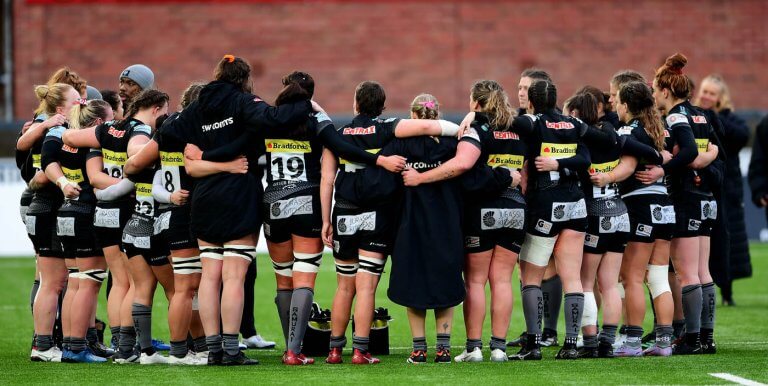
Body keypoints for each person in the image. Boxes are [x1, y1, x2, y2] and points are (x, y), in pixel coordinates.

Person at [161, 54, 319, 366]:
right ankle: (232, 350)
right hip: (238, 194)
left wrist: (199, 153)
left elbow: (167, 132)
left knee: (209, 275)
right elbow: (277, 119)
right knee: (233, 276)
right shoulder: (244, 102)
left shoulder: (195, 106)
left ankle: (213, 348)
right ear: (244, 79)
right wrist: (303, 101)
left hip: (203, 197)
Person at [320, 81, 458, 365]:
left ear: (356, 104)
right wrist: (464, 127)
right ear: (383, 107)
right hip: (377, 215)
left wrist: (325, 219)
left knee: (344, 287)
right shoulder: (387, 129)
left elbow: (326, 180)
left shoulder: (339, 134)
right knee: (367, 287)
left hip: (344, 213)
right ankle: (360, 351)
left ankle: (334, 350)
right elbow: (425, 128)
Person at [402, 82, 521, 363]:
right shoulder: (520, 129)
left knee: (476, 281)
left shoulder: (474, 132)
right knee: (503, 280)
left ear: (476, 103)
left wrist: (419, 177)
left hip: (483, 212)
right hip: (516, 209)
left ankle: (474, 348)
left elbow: (463, 167)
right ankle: (500, 349)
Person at [368, 94, 462, 364]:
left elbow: (382, 184)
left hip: (408, 225)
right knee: (446, 284)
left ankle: (418, 349)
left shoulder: (398, 143)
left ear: (413, 116)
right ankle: (443, 349)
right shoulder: (452, 143)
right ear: (437, 115)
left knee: (414, 285)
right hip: (446, 222)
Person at [642, 53, 721, 355]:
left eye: (654, 90)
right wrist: (707, 158)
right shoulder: (701, 114)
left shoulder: (675, 116)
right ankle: (707, 338)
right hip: (705, 200)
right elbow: (711, 150)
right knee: (702, 272)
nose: (653, 96)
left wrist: (665, 168)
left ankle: (693, 338)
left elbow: (688, 152)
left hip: (686, 198)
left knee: (687, 273)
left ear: (665, 91)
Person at [42, 99, 114, 363]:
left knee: (75, 281)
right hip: (85, 212)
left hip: (66, 211)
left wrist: (61, 183)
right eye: (110, 118)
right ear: (97, 123)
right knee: (89, 282)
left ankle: (73, 345)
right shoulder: (94, 144)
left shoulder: (63, 140)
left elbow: (47, 162)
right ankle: (76, 347)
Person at [27, 83, 81, 362]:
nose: (82, 103)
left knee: (51, 281)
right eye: (76, 101)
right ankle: (44, 345)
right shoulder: (55, 133)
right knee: (54, 282)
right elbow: (44, 170)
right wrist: (62, 181)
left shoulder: (45, 130)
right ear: (61, 110)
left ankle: (43, 344)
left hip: (40, 208)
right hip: (48, 210)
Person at [508, 69, 562, 348]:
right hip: (525, 199)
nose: (520, 92)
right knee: (524, 265)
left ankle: (548, 331)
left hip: (546, 199)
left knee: (547, 265)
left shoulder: (550, 121)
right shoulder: (520, 121)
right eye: (518, 87)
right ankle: (534, 329)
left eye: (526, 88)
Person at [694, 74, 752, 305]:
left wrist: (714, 117)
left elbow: (741, 136)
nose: (706, 96)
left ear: (720, 98)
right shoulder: (694, 116)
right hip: (703, 184)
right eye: (704, 91)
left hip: (727, 189)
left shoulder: (730, 120)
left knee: (727, 240)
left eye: (712, 93)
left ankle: (727, 291)